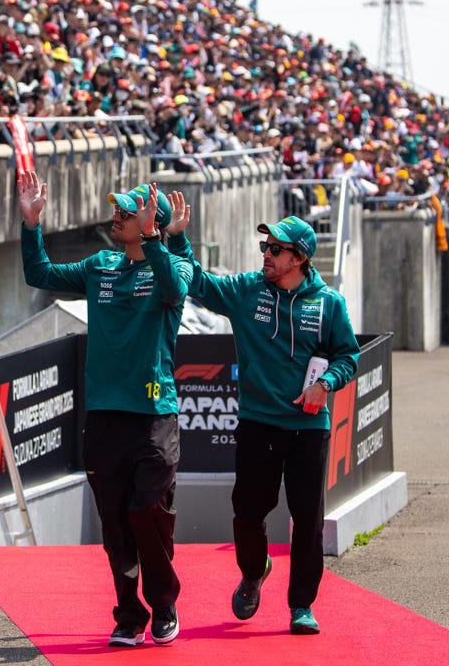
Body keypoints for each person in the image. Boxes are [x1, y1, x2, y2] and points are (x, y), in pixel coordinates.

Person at [165, 199, 360, 635]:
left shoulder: (329, 303)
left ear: (299, 258)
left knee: (307, 517)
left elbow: (348, 355)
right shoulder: (246, 289)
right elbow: (197, 280)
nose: (266, 254)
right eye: (265, 246)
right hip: (258, 422)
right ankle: (254, 571)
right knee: (248, 512)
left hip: (309, 427)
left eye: (276, 248)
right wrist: (177, 237)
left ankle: (301, 606)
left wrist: (324, 383)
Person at [18, 173, 190, 647]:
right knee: (114, 520)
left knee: (147, 510)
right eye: (115, 209)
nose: (115, 216)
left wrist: (157, 239)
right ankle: (129, 614)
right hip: (103, 416)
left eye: (126, 211)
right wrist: (31, 225)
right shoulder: (100, 265)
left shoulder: (173, 265)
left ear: (149, 221)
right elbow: (42, 275)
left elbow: (174, 292)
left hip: (155, 413)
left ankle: (165, 602)